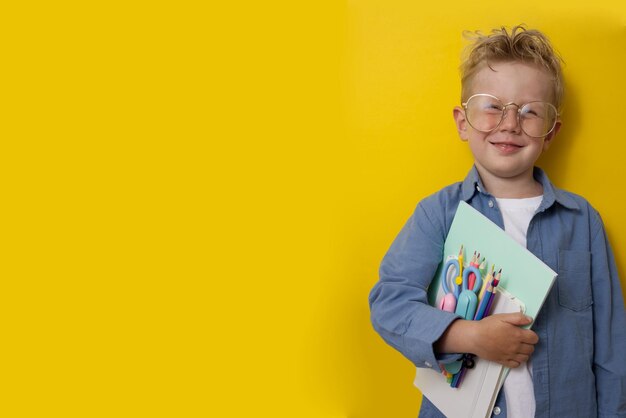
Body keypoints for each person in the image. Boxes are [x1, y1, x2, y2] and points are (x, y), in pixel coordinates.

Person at [368, 26, 626, 418]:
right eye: (491, 106)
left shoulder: (583, 220)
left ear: (551, 132)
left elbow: (611, 344)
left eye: (530, 111)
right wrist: (468, 336)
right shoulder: (438, 214)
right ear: (462, 122)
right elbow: (389, 304)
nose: (509, 123)